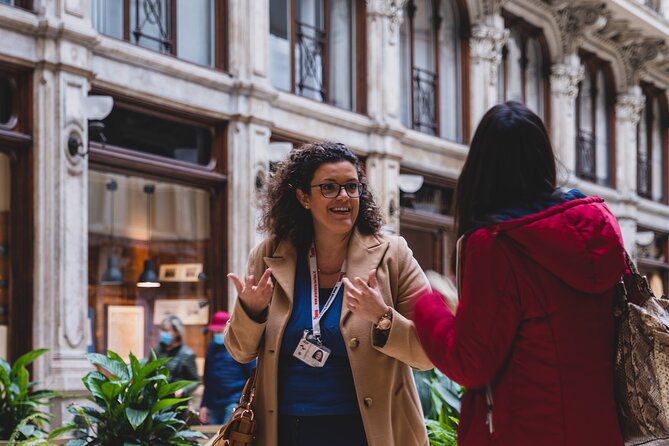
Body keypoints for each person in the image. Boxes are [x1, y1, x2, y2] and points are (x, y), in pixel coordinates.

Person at [413, 102, 626, 446]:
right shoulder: (599, 228)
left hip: (523, 432)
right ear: (544, 155)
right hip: (600, 430)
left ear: (481, 166)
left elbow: (471, 362)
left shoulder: (497, 245)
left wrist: (428, 304)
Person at [224, 142, 432, 446]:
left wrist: (383, 318)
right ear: (303, 197)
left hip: (366, 432)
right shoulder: (268, 254)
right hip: (284, 431)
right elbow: (240, 352)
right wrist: (252, 311)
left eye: (351, 187)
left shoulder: (393, 255)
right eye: (329, 187)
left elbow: (429, 353)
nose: (343, 197)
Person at [199, 311, 254, 425]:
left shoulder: (240, 346)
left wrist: (246, 402)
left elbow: (252, 375)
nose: (217, 333)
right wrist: (204, 405)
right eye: (215, 331)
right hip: (214, 404)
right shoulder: (212, 346)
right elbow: (208, 378)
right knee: (213, 441)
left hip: (233, 402)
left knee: (227, 439)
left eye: (220, 330)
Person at [155, 315, 199, 398]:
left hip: (176, 403)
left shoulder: (187, 354)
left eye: (166, 331)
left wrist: (183, 390)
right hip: (157, 402)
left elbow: (195, 382)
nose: (163, 333)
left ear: (177, 332)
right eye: (162, 330)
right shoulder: (157, 351)